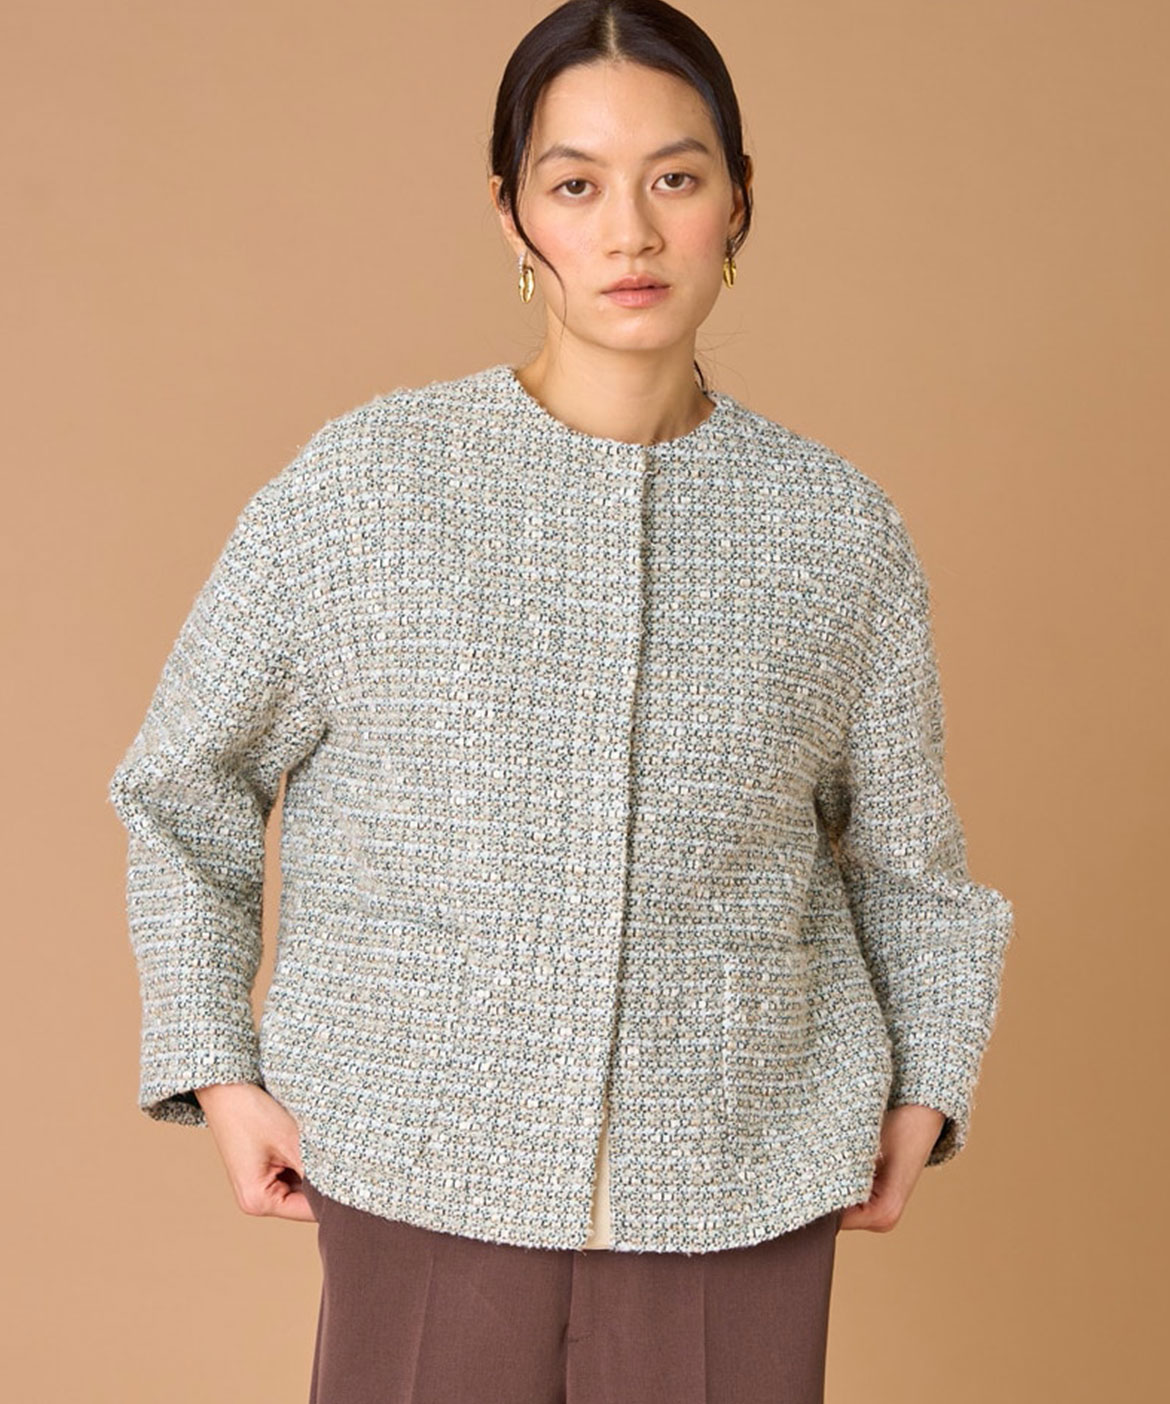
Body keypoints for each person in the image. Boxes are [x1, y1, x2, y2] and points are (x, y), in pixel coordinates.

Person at [107, 2, 1014, 1401]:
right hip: (412, 1154)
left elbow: (909, 865)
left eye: (675, 178)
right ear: (512, 214)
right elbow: (183, 784)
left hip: (742, 1172)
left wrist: (927, 1082)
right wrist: (216, 1068)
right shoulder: (362, 490)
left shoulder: (838, 535)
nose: (629, 233)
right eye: (576, 184)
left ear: (737, 202)